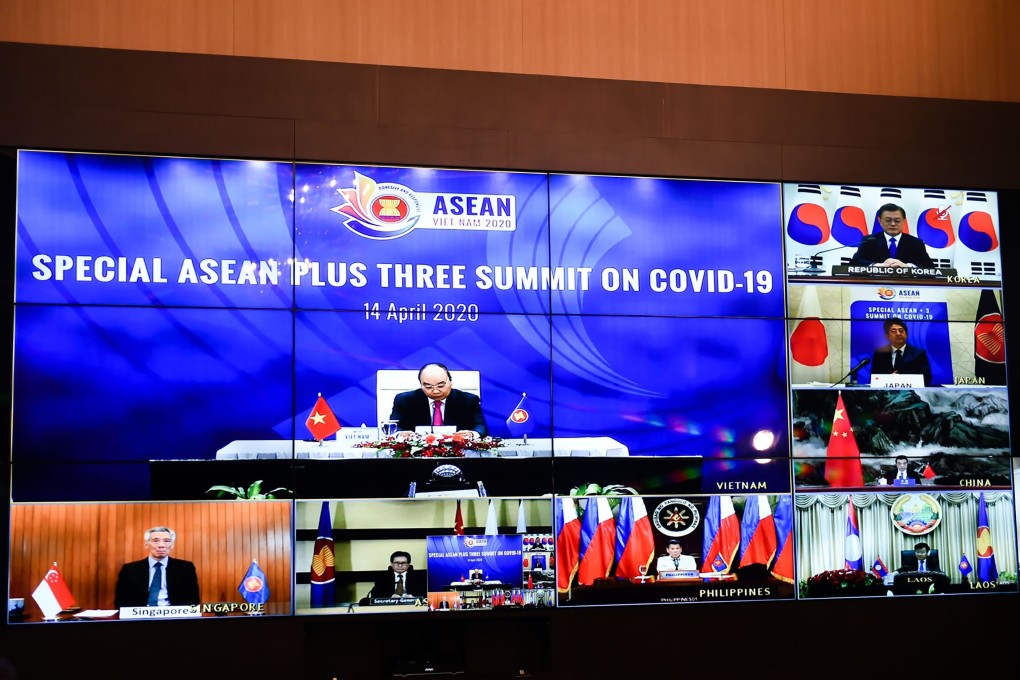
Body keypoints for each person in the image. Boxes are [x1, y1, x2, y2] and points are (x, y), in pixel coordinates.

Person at [389, 362, 488, 439]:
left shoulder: (468, 400)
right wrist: (400, 434)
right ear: (421, 385)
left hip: (457, 451)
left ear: (450, 382)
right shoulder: (404, 400)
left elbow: (481, 427)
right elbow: (394, 427)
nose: (435, 391)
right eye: (428, 387)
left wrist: (471, 434)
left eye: (440, 386)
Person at [114, 526, 200, 608]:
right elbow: (121, 601)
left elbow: (193, 600)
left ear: (172, 545)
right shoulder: (129, 570)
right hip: (140, 614)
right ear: (146, 545)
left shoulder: (186, 568)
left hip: (174, 614)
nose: (161, 545)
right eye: (156, 541)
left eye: (166, 541)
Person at [870, 317, 932, 386]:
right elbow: (874, 378)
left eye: (901, 330)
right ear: (887, 336)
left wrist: (901, 379)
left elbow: (926, 378)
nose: (898, 334)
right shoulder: (880, 354)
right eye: (893, 331)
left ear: (906, 334)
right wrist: (889, 378)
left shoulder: (918, 354)